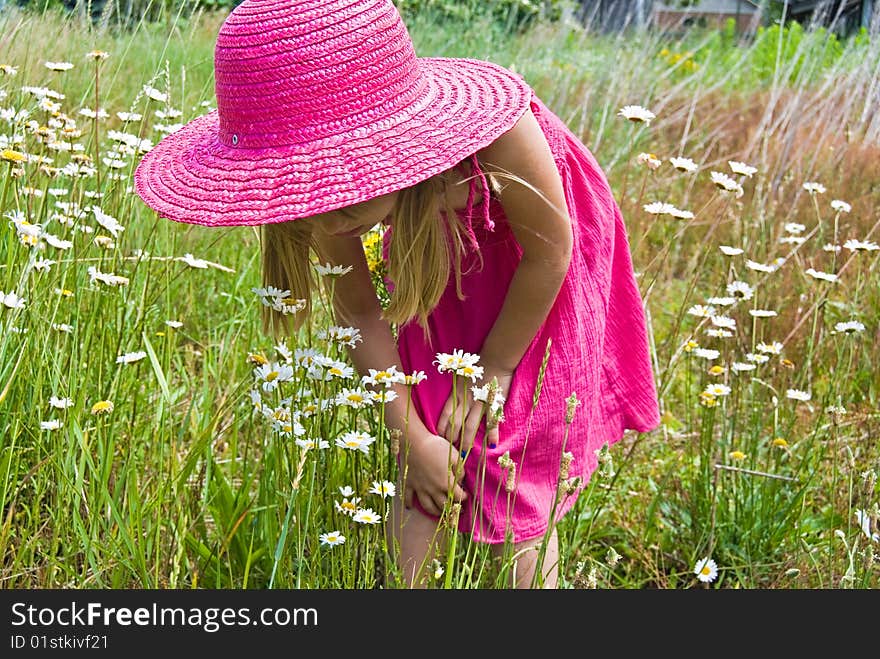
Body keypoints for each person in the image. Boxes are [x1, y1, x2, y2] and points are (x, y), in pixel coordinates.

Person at [134, 0, 661, 589]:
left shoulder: (500, 136)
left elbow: (551, 254)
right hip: (433, 266)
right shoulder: (324, 203)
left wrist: (494, 367)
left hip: (536, 284)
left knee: (509, 462)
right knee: (434, 434)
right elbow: (359, 308)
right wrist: (408, 439)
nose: (331, 223)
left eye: (345, 193)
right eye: (311, 198)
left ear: (390, 154)